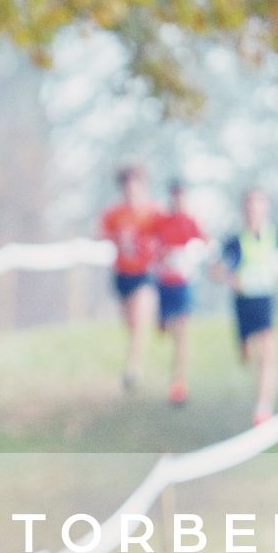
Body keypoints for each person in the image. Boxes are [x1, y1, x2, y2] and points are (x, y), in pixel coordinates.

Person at [212, 187, 278, 425]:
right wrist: (227, 275)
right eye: (250, 208)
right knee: (248, 355)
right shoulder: (235, 242)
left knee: (269, 349)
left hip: (266, 301)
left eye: (259, 207)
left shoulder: (275, 237)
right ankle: (260, 398)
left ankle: (264, 408)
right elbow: (218, 269)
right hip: (244, 304)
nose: (254, 213)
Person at [97, 166, 159, 391]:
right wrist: (117, 238)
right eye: (127, 187)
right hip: (122, 274)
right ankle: (136, 357)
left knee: (139, 319)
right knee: (130, 323)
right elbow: (100, 235)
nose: (131, 191)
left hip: (145, 274)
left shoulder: (154, 213)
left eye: (135, 186)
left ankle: (133, 368)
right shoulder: (114, 215)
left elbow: (168, 233)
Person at [148, 179, 205, 407]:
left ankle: (178, 383)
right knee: (164, 329)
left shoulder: (191, 222)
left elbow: (204, 245)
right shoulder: (161, 221)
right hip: (162, 283)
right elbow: (149, 241)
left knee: (182, 332)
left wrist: (192, 253)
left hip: (182, 284)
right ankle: (160, 323)